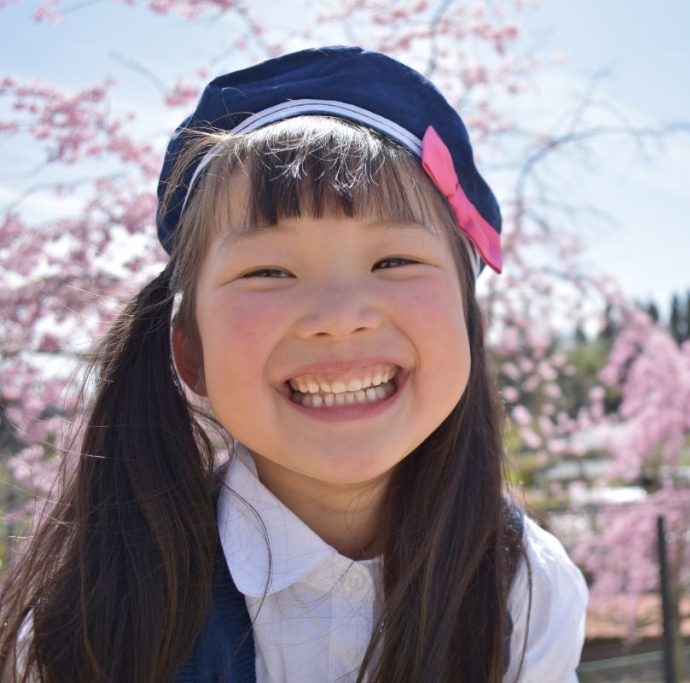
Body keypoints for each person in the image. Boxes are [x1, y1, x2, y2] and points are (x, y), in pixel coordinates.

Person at [0, 45, 587, 682]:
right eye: (268, 271)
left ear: (472, 332)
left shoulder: (529, 588)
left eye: (394, 261)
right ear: (189, 352)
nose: (338, 315)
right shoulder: (91, 621)